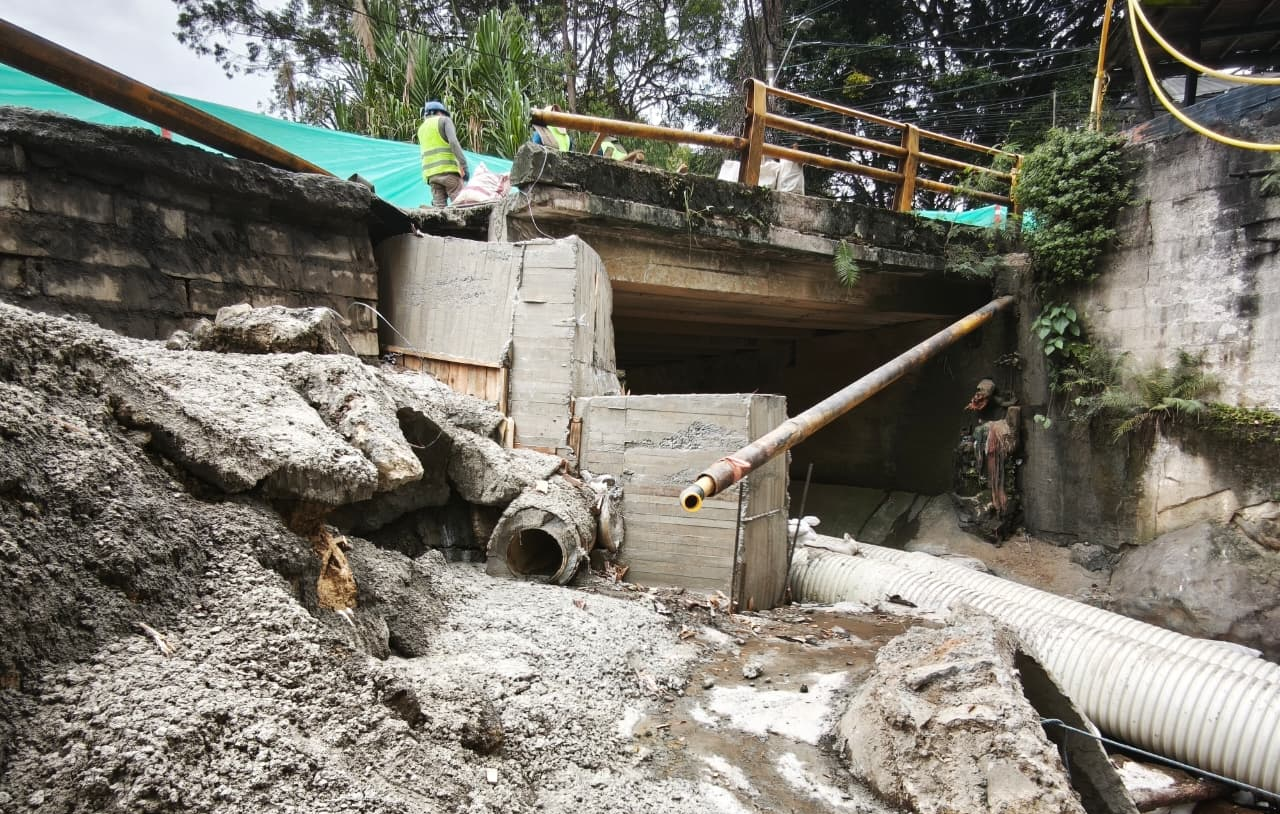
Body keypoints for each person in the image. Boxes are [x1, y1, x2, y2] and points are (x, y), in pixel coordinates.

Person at [418, 100, 468, 207]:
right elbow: (454, 143)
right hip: (449, 172)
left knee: (439, 209)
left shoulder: (421, 128)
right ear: (440, 112)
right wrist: (464, 166)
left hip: (431, 175)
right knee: (461, 206)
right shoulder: (444, 120)